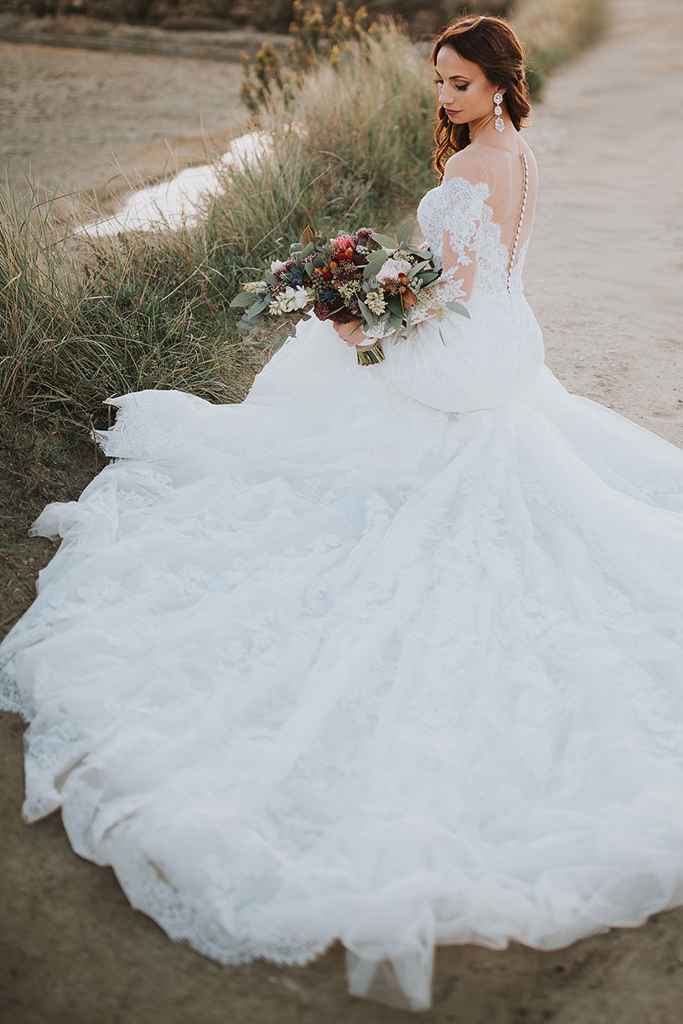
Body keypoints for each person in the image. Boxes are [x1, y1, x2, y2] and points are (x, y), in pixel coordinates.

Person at [2, 13, 683, 1015]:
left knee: (326, 364)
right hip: (503, 340)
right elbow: (479, 280)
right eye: (436, 81)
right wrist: (376, 289)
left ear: (494, 83)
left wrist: (366, 305)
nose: (440, 97)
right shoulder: (515, 152)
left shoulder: (467, 173)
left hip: (463, 347)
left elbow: (439, 291)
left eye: (456, 83)